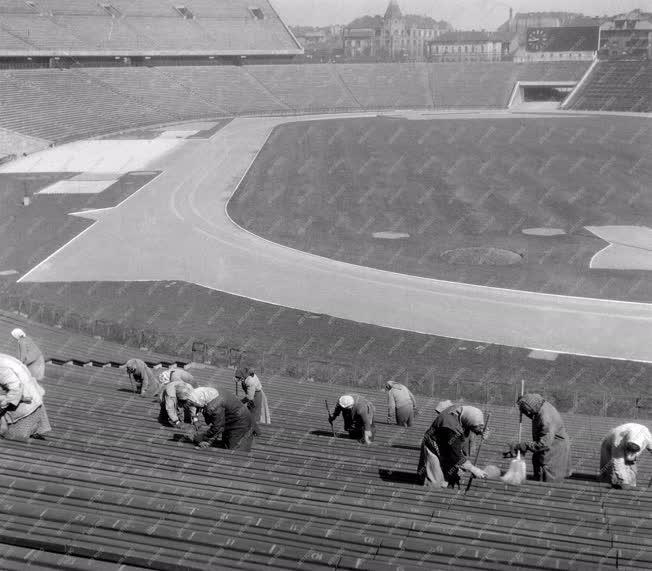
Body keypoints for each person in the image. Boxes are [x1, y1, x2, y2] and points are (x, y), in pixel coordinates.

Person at [506, 393, 572, 483]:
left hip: (555, 450)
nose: (527, 413)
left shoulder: (546, 419)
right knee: (537, 462)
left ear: (531, 407)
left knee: (549, 478)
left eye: (527, 411)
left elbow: (543, 444)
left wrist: (525, 445)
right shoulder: (540, 405)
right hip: (549, 444)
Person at [417, 404, 487, 488]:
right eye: (474, 427)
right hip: (433, 444)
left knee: (452, 474)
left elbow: (474, 424)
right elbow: (455, 455)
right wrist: (473, 469)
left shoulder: (462, 411)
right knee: (434, 483)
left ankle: (447, 480)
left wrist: (481, 431)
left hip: (446, 443)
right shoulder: (451, 429)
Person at [0, 353, 50, 442]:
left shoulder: (1, 368)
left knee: (15, 443)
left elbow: (16, 388)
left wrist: (2, 407)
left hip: (26, 407)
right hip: (29, 402)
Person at [188, 387, 254, 451]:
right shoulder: (210, 392)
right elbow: (194, 404)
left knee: (234, 451)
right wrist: (195, 418)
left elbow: (218, 427)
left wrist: (203, 436)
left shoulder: (213, 406)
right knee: (225, 443)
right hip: (230, 420)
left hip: (239, 423)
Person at [599, 423, 652, 488]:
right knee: (609, 471)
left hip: (627, 446)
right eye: (629, 451)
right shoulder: (617, 441)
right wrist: (624, 482)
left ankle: (631, 487)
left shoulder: (647, 437)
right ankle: (606, 484)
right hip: (609, 445)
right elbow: (618, 463)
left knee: (632, 472)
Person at [235, 367, 271, 434]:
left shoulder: (250, 381)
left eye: (239, 377)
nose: (237, 378)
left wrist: (240, 402)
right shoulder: (246, 377)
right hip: (253, 396)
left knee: (251, 416)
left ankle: (256, 432)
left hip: (256, 397)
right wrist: (237, 379)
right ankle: (254, 431)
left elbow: (250, 397)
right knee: (249, 415)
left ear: (242, 376)